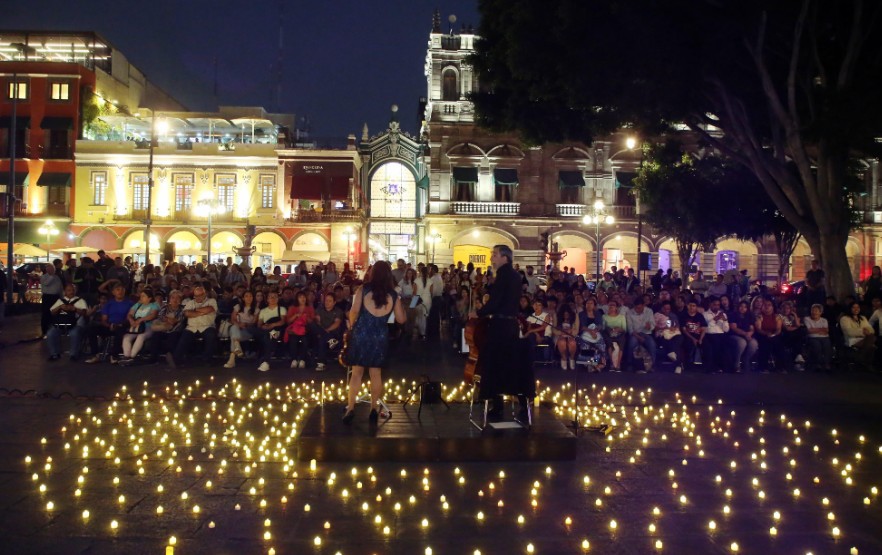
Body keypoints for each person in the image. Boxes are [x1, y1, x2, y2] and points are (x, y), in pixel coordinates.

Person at [470, 245, 534, 422]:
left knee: (495, 363)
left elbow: (496, 301)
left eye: (495, 254)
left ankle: (497, 405)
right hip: (510, 324)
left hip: (500, 325)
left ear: (505, 257)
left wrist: (479, 312)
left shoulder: (504, 275)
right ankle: (520, 402)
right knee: (511, 363)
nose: (491, 257)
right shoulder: (513, 275)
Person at [343, 260, 407, 424]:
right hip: (380, 336)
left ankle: (350, 408)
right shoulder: (393, 295)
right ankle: (373, 408)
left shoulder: (363, 289)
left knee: (357, 373)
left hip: (361, 334)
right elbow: (401, 319)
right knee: (375, 374)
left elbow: (354, 312)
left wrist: (352, 327)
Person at [168, 284, 218, 368]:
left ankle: (207, 360)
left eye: (200, 295)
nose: (198, 297)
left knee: (211, 335)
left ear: (204, 294)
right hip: (192, 327)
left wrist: (194, 311)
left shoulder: (211, 301)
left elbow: (210, 309)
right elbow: (186, 313)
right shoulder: (190, 302)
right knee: (184, 336)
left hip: (207, 326)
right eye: (196, 295)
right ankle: (176, 360)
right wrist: (202, 312)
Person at [85, 283, 133, 363]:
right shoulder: (109, 304)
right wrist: (109, 325)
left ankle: (114, 356)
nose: (120, 291)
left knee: (119, 331)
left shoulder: (130, 303)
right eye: (118, 290)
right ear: (113, 292)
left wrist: (119, 324)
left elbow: (130, 317)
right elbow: (104, 319)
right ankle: (95, 355)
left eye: (122, 290)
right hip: (109, 325)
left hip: (122, 325)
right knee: (91, 329)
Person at [46, 283, 88, 361]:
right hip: (61, 324)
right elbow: (52, 312)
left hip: (75, 324)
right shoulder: (60, 301)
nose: (71, 292)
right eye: (69, 290)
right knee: (50, 333)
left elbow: (85, 313)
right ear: (65, 292)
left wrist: (74, 309)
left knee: (74, 333)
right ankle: (54, 354)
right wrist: (60, 307)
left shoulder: (80, 300)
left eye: (73, 290)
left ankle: (73, 355)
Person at [119, 289, 160, 363]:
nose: (141, 297)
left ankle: (132, 356)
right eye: (141, 296)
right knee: (126, 337)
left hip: (148, 326)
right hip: (135, 326)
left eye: (143, 296)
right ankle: (127, 356)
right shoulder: (138, 304)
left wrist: (141, 320)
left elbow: (153, 315)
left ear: (149, 298)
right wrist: (131, 320)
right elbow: (130, 314)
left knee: (141, 337)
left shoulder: (154, 305)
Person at [224, 290, 260, 368]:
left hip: (247, 330)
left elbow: (254, 323)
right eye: (246, 296)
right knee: (234, 328)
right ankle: (234, 354)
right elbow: (233, 319)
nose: (249, 298)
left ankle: (232, 357)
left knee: (234, 336)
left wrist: (246, 324)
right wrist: (239, 324)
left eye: (250, 296)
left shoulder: (256, 309)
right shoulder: (238, 307)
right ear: (243, 298)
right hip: (237, 327)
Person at [256, 291, 287, 372]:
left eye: (275, 297)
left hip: (276, 331)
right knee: (266, 336)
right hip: (265, 330)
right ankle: (266, 360)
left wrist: (272, 325)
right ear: (267, 299)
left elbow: (283, 321)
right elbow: (259, 324)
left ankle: (265, 361)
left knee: (269, 336)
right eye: (270, 297)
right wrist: (263, 326)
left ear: (278, 299)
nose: (273, 298)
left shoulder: (282, 309)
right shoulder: (263, 310)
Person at [839, 301, 875, 371]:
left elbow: (871, 329)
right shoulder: (845, 318)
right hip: (851, 339)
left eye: (857, 307)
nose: (856, 309)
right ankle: (865, 363)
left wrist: (867, 331)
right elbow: (849, 331)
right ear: (850, 308)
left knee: (872, 342)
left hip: (864, 339)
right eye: (853, 307)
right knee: (872, 343)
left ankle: (861, 358)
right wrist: (862, 331)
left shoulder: (863, 318)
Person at [626, 297, 656, 372]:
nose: (637, 310)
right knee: (631, 344)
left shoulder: (649, 311)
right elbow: (630, 328)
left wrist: (649, 327)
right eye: (636, 308)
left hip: (646, 333)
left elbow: (652, 324)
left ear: (643, 305)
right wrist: (638, 337)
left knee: (652, 344)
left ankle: (651, 365)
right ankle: (630, 364)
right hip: (635, 334)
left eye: (639, 308)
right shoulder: (629, 312)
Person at [284, 291, 312, 369]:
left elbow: (312, 322)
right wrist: (296, 315)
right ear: (297, 299)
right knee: (293, 339)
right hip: (295, 329)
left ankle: (302, 359)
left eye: (304, 297)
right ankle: (294, 359)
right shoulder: (292, 308)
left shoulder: (309, 308)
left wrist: (306, 317)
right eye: (300, 297)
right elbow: (288, 321)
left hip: (305, 329)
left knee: (305, 339)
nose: (302, 299)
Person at [728, 300, 758, 373]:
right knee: (742, 342)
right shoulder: (733, 315)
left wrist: (750, 333)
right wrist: (745, 334)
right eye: (741, 306)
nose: (742, 308)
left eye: (745, 307)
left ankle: (746, 360)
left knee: (754, 344)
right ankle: (736, 364)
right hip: (734, 335)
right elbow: (734, 328)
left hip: (746, 335)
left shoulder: (749, 316)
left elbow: (752, 328)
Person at [804, 303, 833, 372]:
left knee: (827, 346)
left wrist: (815, 329)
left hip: (824, 337)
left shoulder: (824, 320)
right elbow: (809, 330)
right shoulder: (807, 319)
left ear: (820, 312)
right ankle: (818, 364)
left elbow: (826, 330)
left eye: (816, 311)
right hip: (813, 337)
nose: (814, 312)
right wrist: (820, 329)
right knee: (817, 346)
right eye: (813, 310)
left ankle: (827, 364)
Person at [39, 263, 64, 337]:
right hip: (47, 297)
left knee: (56, 313)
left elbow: (60, 287)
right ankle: (45, 331)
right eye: (50, 269)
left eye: (53, 269)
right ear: (47, 270)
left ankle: (55, 329)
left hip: (56, 297)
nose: (52, 270)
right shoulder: (44, 277)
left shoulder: (57, 277)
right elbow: (46, 283)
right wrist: (51, 276)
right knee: (46, 314)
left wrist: (62, 297)